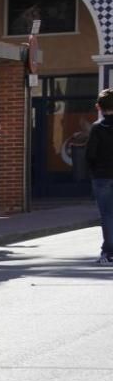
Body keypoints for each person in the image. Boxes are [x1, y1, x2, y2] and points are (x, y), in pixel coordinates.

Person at [87, 88, 113, 264]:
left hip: (102, 176)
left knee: (107, 214)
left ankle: (109, 251)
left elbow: (90, 155)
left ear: (99, 107)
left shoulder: (97, 128)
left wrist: (94, 171)